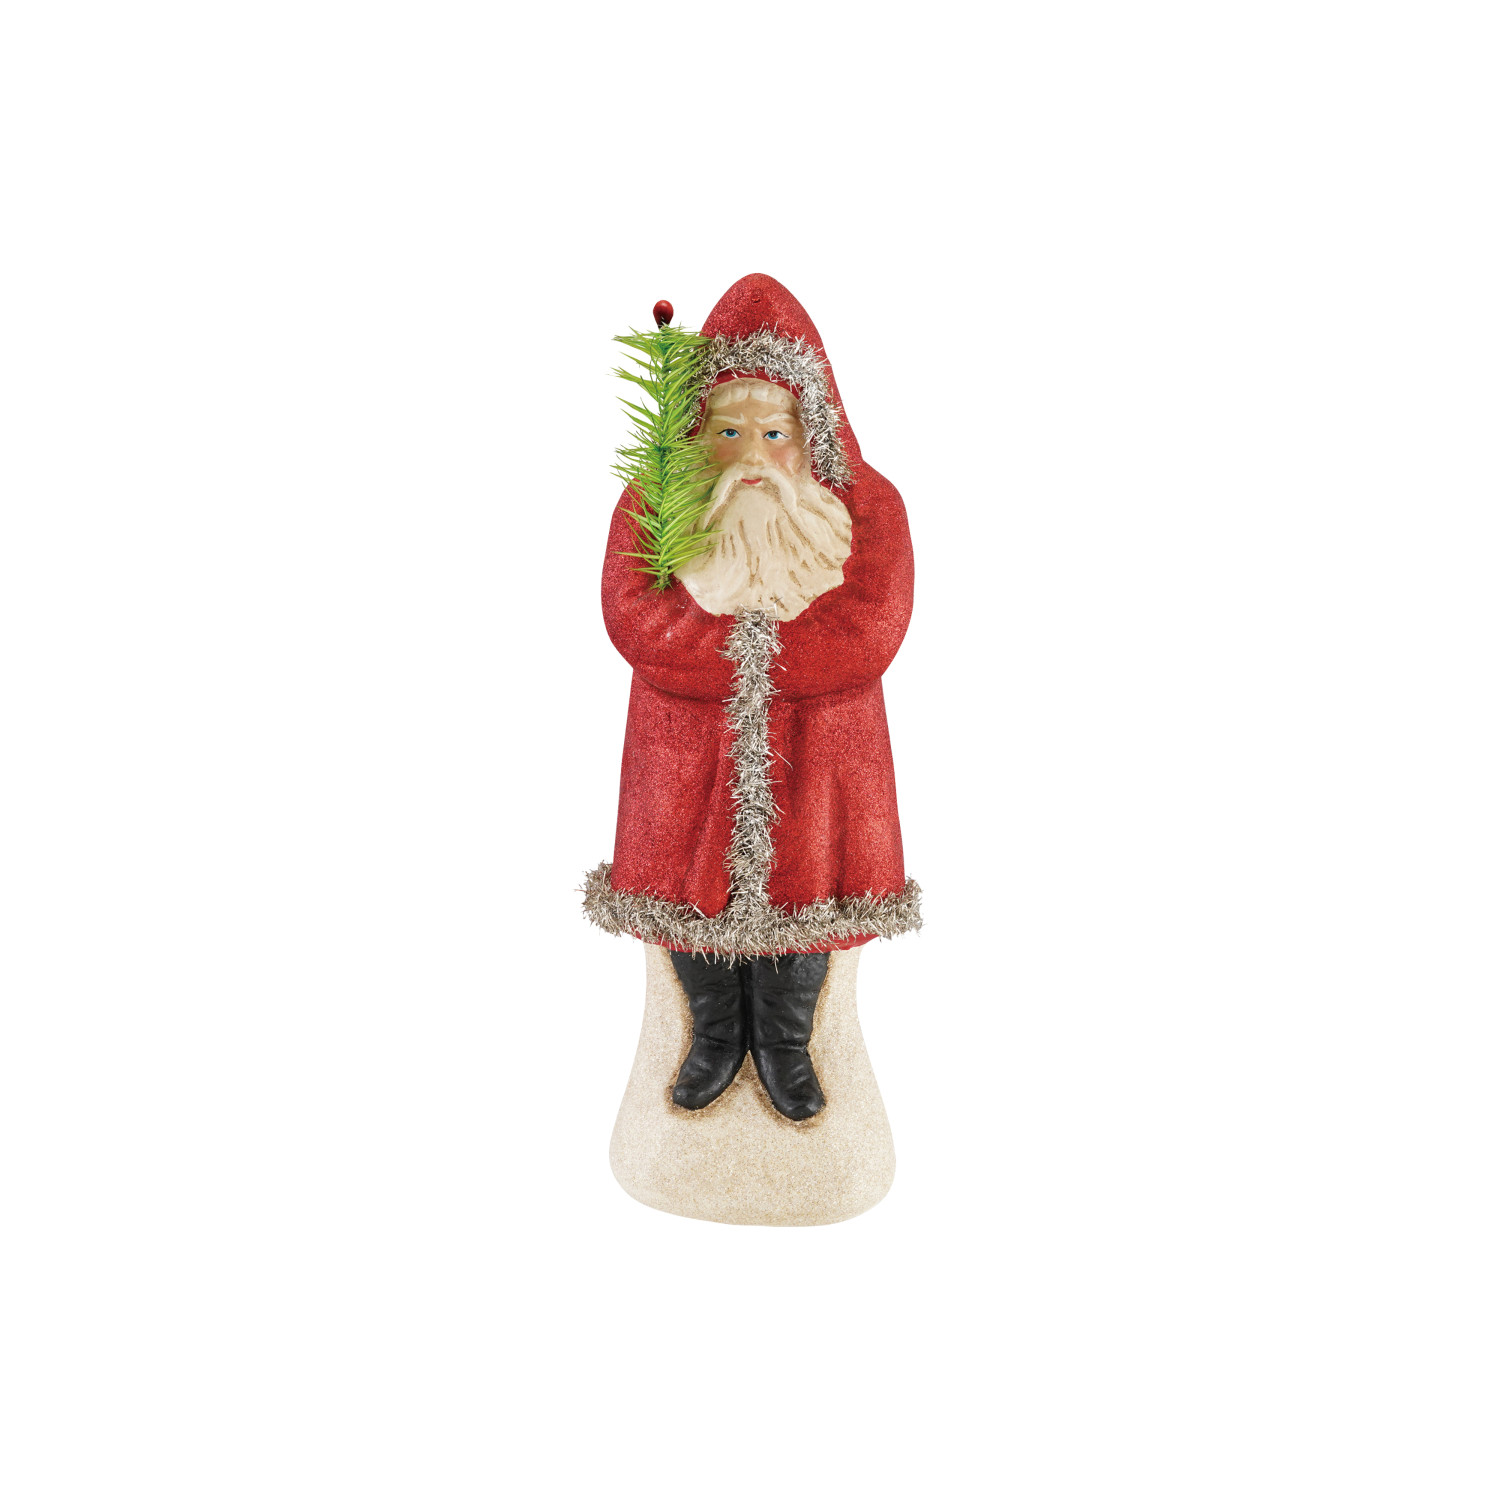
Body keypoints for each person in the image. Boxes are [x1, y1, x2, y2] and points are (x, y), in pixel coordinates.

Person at [584, 273, 920, 1120]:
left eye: (775, 433)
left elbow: (872, 627)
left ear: (811, 435)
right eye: (730, 434)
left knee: (806, 891)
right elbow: (633, 615)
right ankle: (711, 1034)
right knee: (687, 891)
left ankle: (784, 1039)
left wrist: (764, 657)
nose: (753, 458)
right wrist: (738, 658)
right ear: (700, 435)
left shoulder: (869, 507)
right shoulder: (656, 506)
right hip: (683, 747)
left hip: (822, 751)